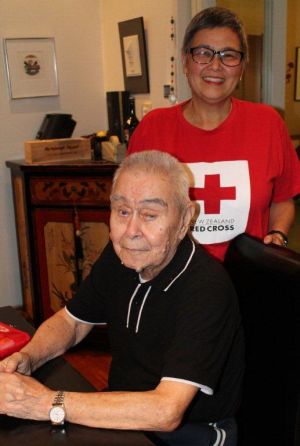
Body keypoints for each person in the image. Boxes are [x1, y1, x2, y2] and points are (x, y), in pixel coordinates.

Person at [0, 151, 244, 446]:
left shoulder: (207, 289)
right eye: (122, 211)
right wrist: (28, 357)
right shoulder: (122, 257)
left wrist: (46, 403)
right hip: (125, 414)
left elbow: (166, 411)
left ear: (184, 221)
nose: (131, 232)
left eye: (150, 215)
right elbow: (73, 321)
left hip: (191, 432)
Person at [128, 6, 300, 262]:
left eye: (229, 55)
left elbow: (284, 198)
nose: (216, 65)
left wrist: (277, 234)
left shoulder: (268, 124)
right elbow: (129, 210)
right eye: (203, 53)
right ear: (185, 61)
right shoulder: (153, 129)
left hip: (246, 282)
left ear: (242, 67)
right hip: (172, 282)